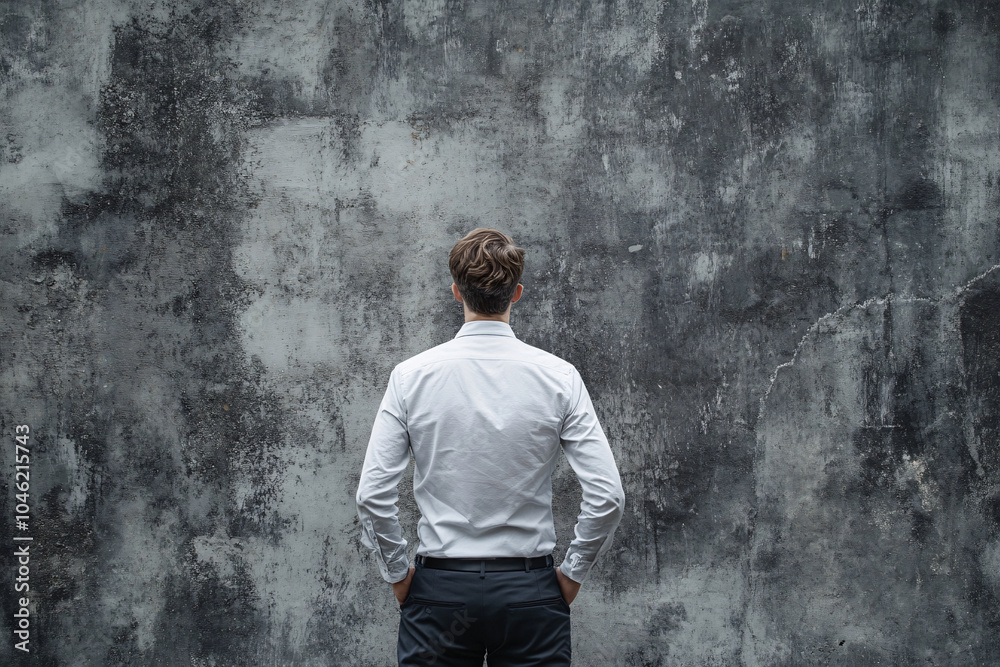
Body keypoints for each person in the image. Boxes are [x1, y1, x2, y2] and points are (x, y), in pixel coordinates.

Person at [356, 228, 625, 666]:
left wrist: (396, 575)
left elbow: (372, 495)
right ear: (516, 293)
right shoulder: (559, 377)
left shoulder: (411, 376)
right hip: (530, 595)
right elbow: (608, 496)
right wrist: (571, 575)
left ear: (455, 292)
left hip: (439, 593)